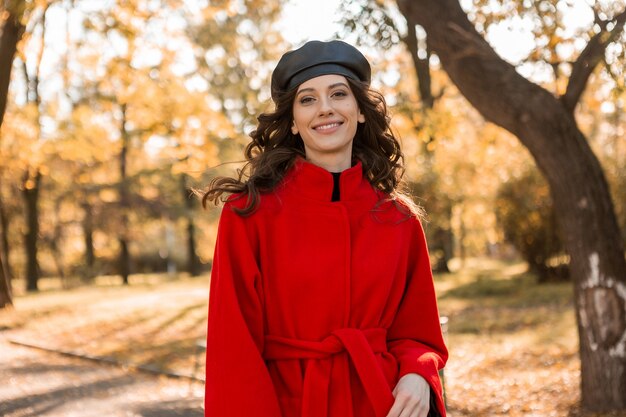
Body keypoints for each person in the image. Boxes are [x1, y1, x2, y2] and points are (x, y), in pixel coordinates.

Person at [202, 40, 448, 417]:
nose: (325, 108)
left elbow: (418, 334)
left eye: (338, 94)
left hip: (380, 401)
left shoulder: (398, 219)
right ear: (293, 122)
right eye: (308, 99)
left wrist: (417, 373)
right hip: (290, 404)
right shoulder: (248, 214)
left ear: (360, 112)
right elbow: (232, 350)